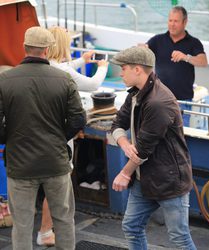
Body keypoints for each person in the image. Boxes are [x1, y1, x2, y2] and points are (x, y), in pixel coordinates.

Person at [0, 26, 86, 250]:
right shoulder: (64, 79)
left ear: (24, 48)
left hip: (20, 164)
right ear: (47, 50)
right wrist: (59, 138)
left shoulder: (5, 80)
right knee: (64, 220)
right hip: (55, 162)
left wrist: (9, 139)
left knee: (22, 225)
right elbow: (78, 119)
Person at [110, 46, 196, 250]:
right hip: (144, 178)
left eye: (123, 68)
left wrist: (124, 173)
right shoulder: (135, 94)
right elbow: (117, 125)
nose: (120, 73)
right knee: (131, 226)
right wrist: (125, 143)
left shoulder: (159, 102)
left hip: (169, 181)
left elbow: (144, 149)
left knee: (179, 237)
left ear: (137, 69)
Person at [36, 26, 109, 246]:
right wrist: (103, 67)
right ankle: (46, 231)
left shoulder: (45, 66)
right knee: (57, 185)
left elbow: (64, 67)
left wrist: (82, 61)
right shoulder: (63, 72)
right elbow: (93, 84)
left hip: (38, 135)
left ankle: (45, 229)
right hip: (58, 138)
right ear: (62, 45)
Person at [146, 6, 208, 126]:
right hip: (159, 99)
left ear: (185, 22)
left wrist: (186, 57)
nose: (172, 24)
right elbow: (144, 51)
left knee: (180, 137)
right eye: (170, 20)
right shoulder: (157, 40)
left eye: (176, 21)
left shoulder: (193, 42)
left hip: (183, 100)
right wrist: (142, 48)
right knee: (158, 134)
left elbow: (203, 61)